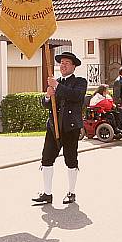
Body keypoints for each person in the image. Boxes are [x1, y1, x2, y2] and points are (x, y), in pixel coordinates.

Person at [32, 52, 87, 205]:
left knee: (70, 160)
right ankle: (47, 193)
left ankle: (71, 192)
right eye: (61, 62)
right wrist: (48, 96)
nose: (63, 65)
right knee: (46, 159)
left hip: (70, 128)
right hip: (53, 127)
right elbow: (46, 104)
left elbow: (76, 96)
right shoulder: (55, 83)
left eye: (67, 63)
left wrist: (57, 86)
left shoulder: (80, 82)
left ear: (73, 66)